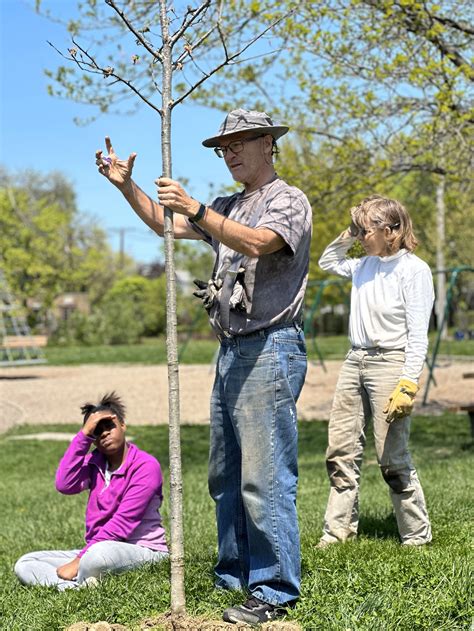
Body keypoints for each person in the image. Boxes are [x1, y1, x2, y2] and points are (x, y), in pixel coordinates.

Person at [94, 109, 312, 624]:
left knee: (264, 476)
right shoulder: (228, 205)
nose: (230, 153)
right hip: (232, 349)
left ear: (268, 144)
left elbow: (258, 243)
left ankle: (275, 588)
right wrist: (128, 187)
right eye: (223, 148)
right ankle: (235, 574)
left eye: (239, 143)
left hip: (270, 347)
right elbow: (161, 222)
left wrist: (196, 207)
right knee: (226, 475)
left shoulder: (287, 200)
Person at [317, 195, 433, 548]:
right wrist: (349, 232)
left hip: (391, 363)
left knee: (391, 457)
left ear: (391, 230)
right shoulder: (362, 265)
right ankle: (337, 532)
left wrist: (407, 384)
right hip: (355, 362)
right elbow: (327, 260)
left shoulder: (415, 271)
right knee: (341, 450)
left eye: (366, 229)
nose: (362, 236)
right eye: (360, 229)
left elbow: (418, 336)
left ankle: (416, 534)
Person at [14, 392, 168, 590]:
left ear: (123, 425)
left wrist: (78, 561)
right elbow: (64, 484)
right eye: (97, 431)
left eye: (109, 426)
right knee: (26, 563)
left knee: (95, 558)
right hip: (96, 548)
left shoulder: (146, 466)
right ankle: (76, 587)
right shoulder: (94, 463)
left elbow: (123, 524)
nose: (104, 433)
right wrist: (83, 436)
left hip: (142, 550)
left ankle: (80, 576)